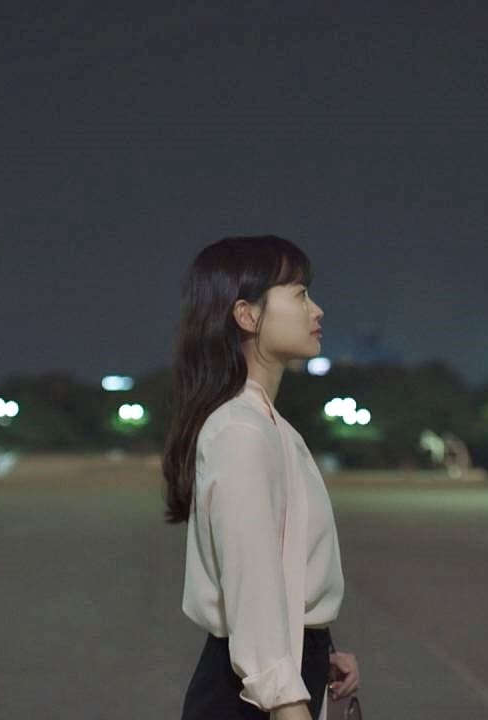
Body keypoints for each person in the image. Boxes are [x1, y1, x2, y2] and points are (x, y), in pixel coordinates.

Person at [165, 235, 360, 720]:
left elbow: (283, 564)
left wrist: (320, 644)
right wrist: (286, 698)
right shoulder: (241, 431)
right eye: (300, 294)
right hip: (253, 696)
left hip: (279, 672)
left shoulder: (269, 426)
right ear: (247, 315)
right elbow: (252, 582)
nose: (317, 309)